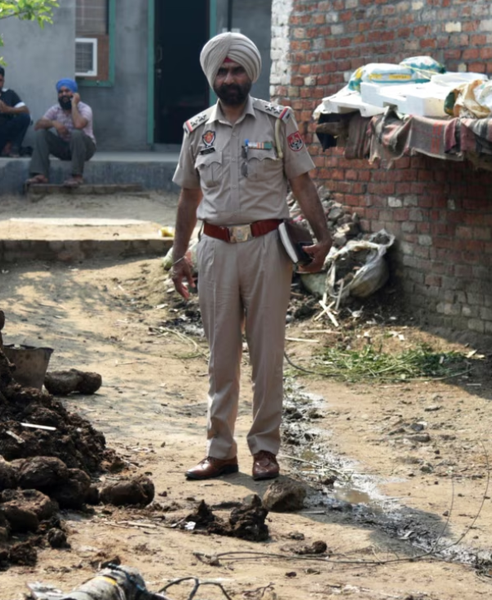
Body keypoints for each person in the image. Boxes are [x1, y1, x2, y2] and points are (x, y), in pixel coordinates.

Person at [170, 32, 332, 482]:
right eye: (221, 71)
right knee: (221, 356)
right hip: (215, 250)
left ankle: (265, 449)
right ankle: (220, 450)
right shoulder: (196, 130)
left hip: (267, 249)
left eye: (237, 69)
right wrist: (179, 255)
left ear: (250, 74)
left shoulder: (278, 121)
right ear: (212, 78)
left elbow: (302, 184)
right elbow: (188, 198)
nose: (229, 78)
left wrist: (324, 237)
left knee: (266, 353)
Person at [25, 79, 95, 188]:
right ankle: (40, 174)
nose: (64, 94)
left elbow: (78, 125)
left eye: (67, 91)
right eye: (61, 92)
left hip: (85, 149)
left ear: (75, 94)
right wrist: (53, 123)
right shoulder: (55, 109)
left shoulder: (85, 108)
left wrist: (74, 105)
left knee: (76, 133)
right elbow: (37, 126)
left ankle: (77, 176)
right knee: (41, 133)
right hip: (65, 148)